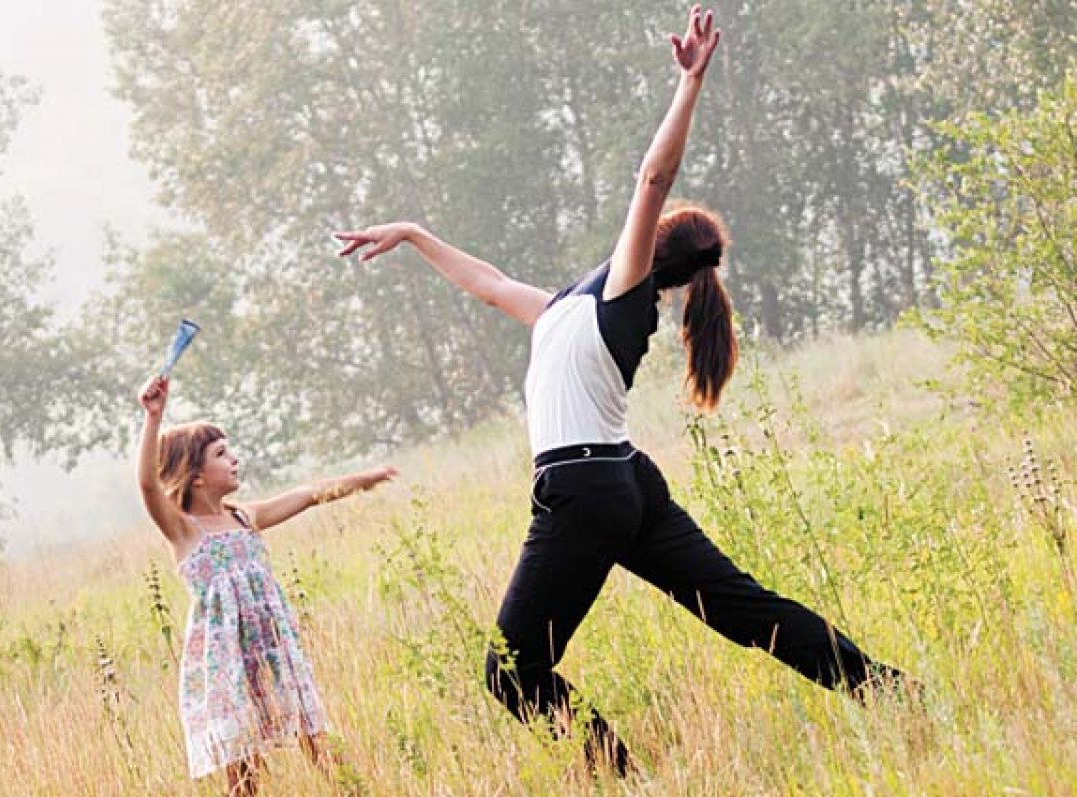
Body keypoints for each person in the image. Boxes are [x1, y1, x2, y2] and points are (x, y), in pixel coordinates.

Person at [334, 4, 904, 777]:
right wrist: (410, 232)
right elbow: (491, 284)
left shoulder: (625, 293)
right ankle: (888, 693)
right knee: (736, 607)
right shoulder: (573, 305)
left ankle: (624, 778)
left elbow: (652, 175)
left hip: (584, 488)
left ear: (659, 243)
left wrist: (689, 85)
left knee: (510, 669)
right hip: (621, 480)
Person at [135, 374, 396, 795]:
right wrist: (154, 417)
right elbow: (148, 484)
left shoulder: (245, 517)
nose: (235, 459)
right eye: (222, 454)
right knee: (244, 770)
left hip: (273, 648)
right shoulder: (184, 531)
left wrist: (369, 478)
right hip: (227, 661)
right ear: (197, 476)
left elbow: (311, 494)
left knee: (316, 738)